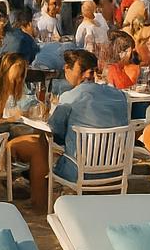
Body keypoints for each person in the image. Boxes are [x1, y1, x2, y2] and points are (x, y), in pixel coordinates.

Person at [48, 50, 129, 183]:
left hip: (79, 172)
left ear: (69, 69)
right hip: (115, 170)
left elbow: (55, 132)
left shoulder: (69, 97)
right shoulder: (119, 95)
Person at [0, 53, 49, 211]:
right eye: (17, 74)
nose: (20, 78)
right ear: (7, 69)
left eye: (22, 74)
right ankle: (39, 201)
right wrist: (12, 118)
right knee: (38, 145)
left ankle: (38, 196)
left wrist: (37, 108)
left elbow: (30, 102)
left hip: (15, 132)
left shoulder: (17, 86)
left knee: (41, 141)